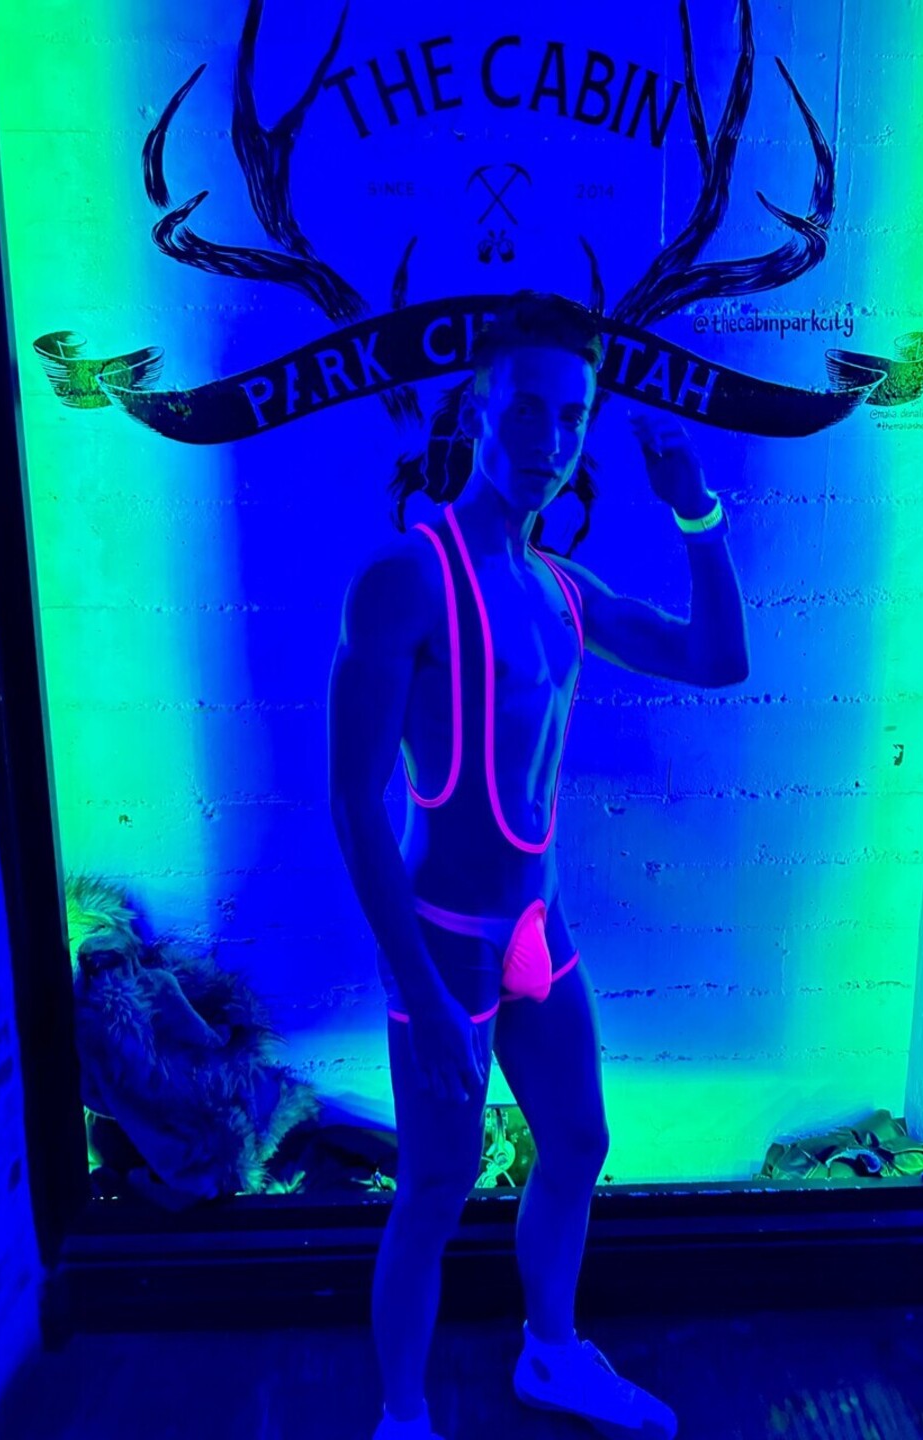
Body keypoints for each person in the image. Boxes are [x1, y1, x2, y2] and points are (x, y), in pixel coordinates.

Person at [328, 291, 750, 1440]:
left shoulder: (564, 589)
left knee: (577, 1145)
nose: (548, 440)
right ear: (475, 410)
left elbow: (717, 660)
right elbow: (353, 802)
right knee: (433, 1185)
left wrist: (696, 509)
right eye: (524, 409)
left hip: (536, 931)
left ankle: (551, 1356)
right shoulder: (405, 579)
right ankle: (403, 1417)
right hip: (445, 942)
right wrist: (421, 991)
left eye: (571, 417)